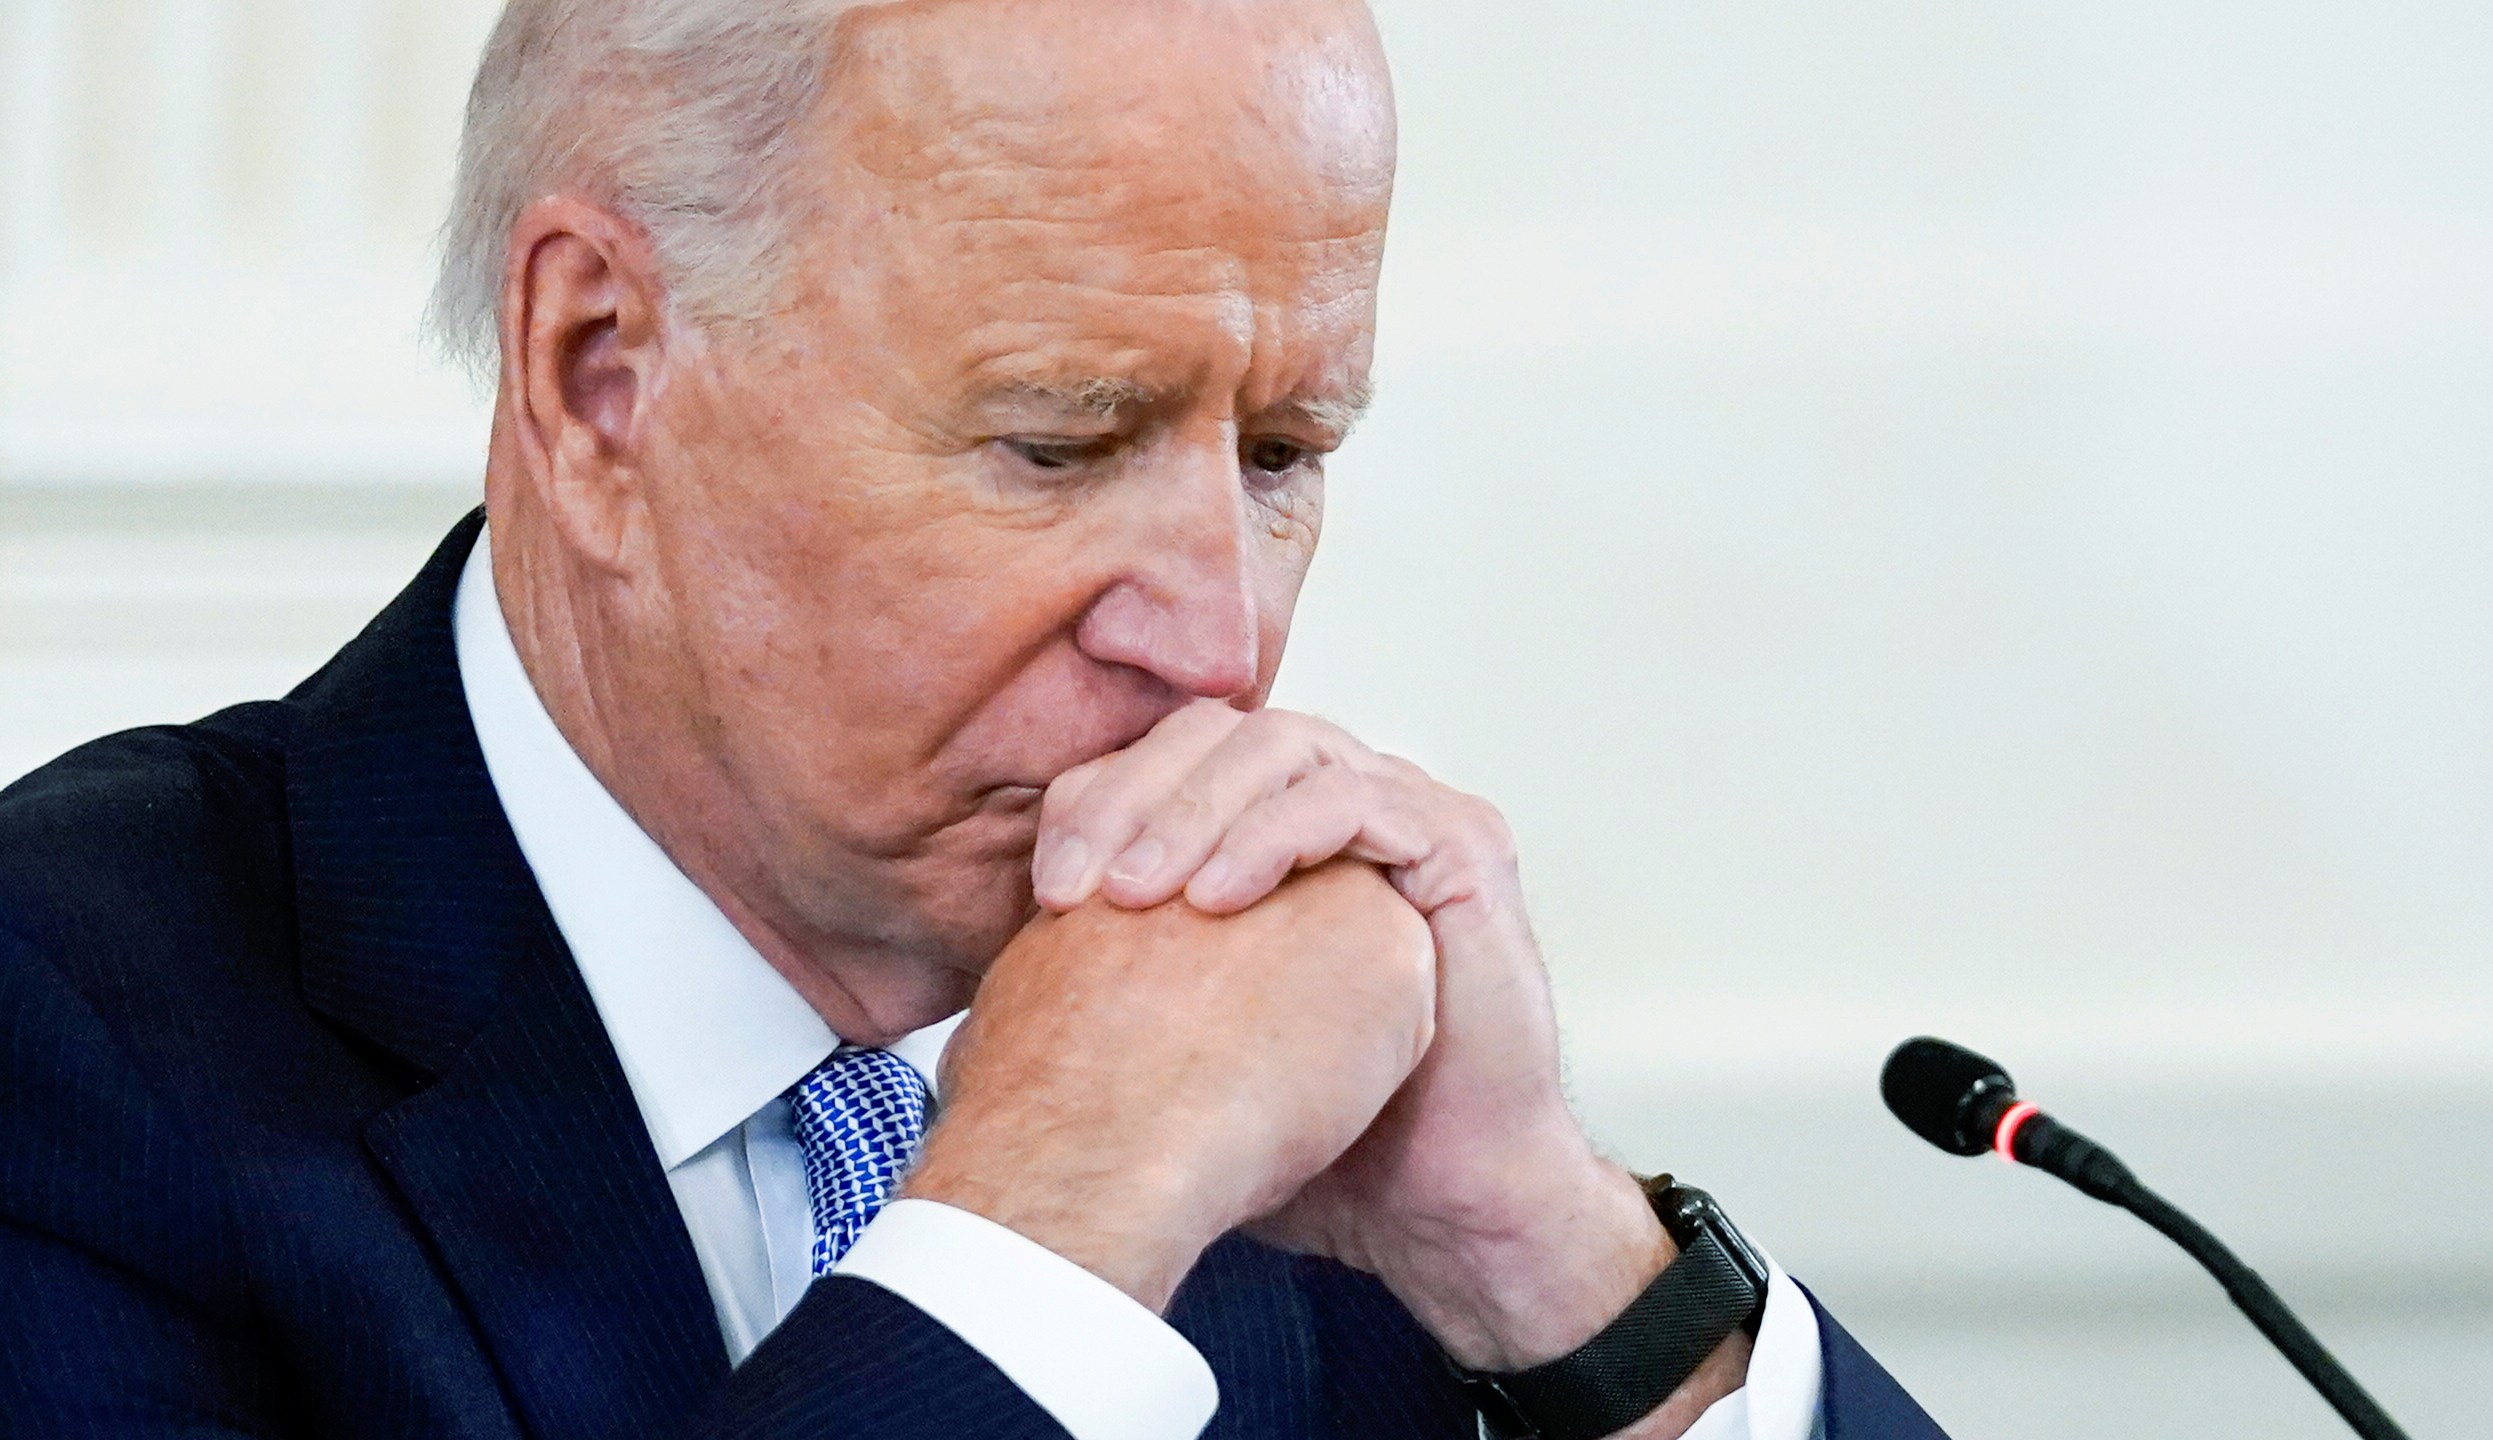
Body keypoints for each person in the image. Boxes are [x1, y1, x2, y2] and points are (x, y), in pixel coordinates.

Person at [0, 2, 1945, 1437]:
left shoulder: (1273, 1050)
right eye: (1058, 440)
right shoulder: (69, 1044)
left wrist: (1542, 1251)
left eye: (1279, 453)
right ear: (601, 373)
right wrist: (1038, 1231)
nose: (1222, 641)